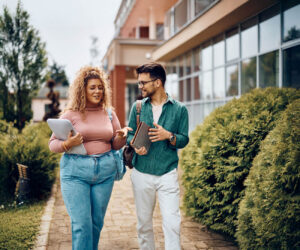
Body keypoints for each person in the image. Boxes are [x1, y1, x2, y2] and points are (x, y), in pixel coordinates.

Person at [49, 66, 131, 250]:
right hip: (76, 173)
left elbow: (115, 144)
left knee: (95, 223)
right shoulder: (71, 114)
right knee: (82, 225)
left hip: (105, 173)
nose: (98, 91)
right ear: (83, 90)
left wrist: (122, 137)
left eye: (100, 87)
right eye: (93, 87)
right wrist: (68, 144)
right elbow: (52, 144)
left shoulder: (109, 113)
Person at [127, 62, 189, 250]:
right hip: (141, 173)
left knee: (172, 224)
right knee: (144, 224)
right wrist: (136, 145)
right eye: (139, 83)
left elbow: (184, 139)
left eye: (143, 82)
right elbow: (130, 133)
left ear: (158, 83)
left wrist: (168, 136)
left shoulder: (179, 109)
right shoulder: (137, 107)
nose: (140, 87)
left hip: (167, 173)